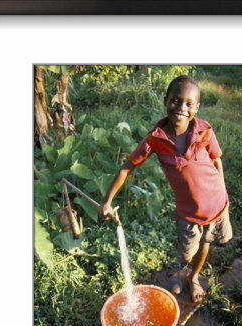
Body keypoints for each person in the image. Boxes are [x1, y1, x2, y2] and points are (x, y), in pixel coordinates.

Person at [97, 75, 232, 302]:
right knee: (187, 251)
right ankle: (182, 271)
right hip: (189, 213)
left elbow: (217, 159)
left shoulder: (205, 131)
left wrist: (223, 188)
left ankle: (194, 278)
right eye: (175, 100)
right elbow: (127, 167)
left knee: (206, 244)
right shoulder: (155, 140)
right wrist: (107, 201)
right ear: (165, 100)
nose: (181, 108)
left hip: (217, 205)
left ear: (196, 108)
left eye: (189, 104)